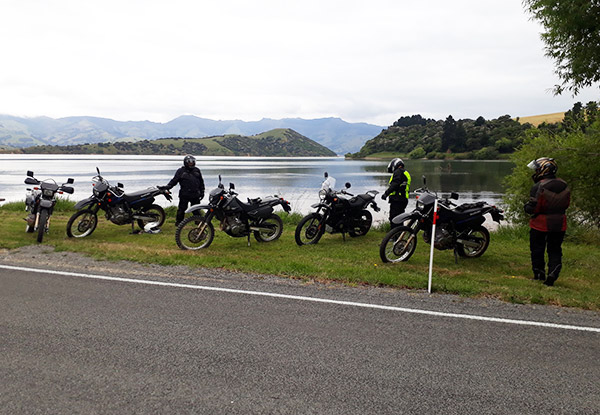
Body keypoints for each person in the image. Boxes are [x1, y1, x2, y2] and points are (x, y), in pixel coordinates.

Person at [524, 157, 570, 286]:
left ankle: (539, 274)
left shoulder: (538, 186)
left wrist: (526, 207)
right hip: (560, 223)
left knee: (537, 249)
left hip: (541, 223)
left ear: (544, 169)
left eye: (538, 168)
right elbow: (567, 204)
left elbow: (533, 208)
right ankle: (553, 273)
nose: (536, 171)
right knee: (555, 249)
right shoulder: (564, 184)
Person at [162, 155, 205, 226]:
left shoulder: (197, 170)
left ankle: (198, 222)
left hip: (195, 194)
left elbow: (201, 182)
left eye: (192, 162)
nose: (191, 163)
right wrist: (168, 187)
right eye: (189, 162)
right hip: (184, 194)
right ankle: (179, 223)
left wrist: (202, 192)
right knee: (182, 209)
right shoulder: (181, 171)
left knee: (196, 209)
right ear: (185, 162)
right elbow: (174, 181)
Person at [381, 158, 411, 227]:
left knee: (394, 219)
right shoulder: (405, 172)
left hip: (397, 199)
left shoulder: (398, 172)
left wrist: (386, 194)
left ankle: (394, 236)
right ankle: (399, 234)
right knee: (399, 219)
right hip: (403, 199)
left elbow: (395, 184)